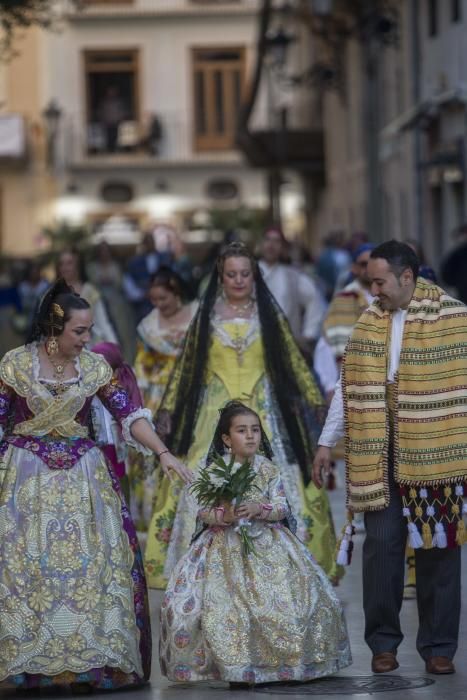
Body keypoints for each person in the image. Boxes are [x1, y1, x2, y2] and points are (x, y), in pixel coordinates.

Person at [0, 280, 192, 692]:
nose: (87, 340)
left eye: (88, 331)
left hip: (83, 478)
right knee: (26, 568)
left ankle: (91, 660)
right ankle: (28, 661)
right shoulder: (15, 365)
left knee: (93, 571)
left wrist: (162, 452)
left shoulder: (93, 368)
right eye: (79, 332)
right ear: (55, 327)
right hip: (25, 480)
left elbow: (128, 413)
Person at [313, 240, 467, 676]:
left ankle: (439, 646)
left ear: (406, 277)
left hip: (438, 448)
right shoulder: (367, 320)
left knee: (439, 545)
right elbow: (348, 387)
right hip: (377, 446)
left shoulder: (455, 317)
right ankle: (382, 643)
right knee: (381, 546)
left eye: (379, 281)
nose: (372, 288)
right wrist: (327, 442)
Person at [154, 242, 342, 590]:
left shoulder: (268, 315)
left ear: (254, 275)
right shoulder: (206, 316)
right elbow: (186, 367)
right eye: (232, 274)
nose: (239, 280)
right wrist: (167, 408)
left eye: (245, 273)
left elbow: (293, 361)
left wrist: (317, 400)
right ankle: (202, 559)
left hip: (264, 408)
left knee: (278, 471)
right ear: (220, 277)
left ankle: (284, 557)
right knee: (203, 472)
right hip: (215, 410)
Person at [160, 400, 351, 685]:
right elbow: (201, 510)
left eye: (255, 430)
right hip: (223, 549)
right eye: (241, 431)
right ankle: (236, 665)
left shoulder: (268, 469)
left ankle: (284, 662)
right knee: (226, 606)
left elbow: (283, 506)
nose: (250, 436)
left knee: (288, 599)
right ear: (226, 439)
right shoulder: (214, 471)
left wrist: (259, 509)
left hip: (269, 543)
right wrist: (223, 515)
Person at [128, 268, 197, 536]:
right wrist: (140, 395)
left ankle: (190, 512)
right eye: (154, 300)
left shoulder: (198, 315)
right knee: (152, 451)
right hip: (158, 393)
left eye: (163, 299)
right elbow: (142, 365)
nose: (158, 305)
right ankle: (156, 517)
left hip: (191, 389)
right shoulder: (148, 326)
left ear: (176, 292)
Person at [314, 243, 375, 401]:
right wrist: (329, 387)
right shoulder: (342, 300)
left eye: (373, 262)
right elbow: (326, 344)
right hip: (352, 387)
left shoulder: (392, 297)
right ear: (354, 268)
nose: (369, 268)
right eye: (363, 264)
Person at [258, 227, 326, 356]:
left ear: (283, 248)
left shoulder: (293, 276)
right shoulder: (247, 274)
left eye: (276, 241)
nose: (271, 245)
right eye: (267, 240)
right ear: (261, 244)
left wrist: (308, 334)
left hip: (287, 348)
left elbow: (314, 300)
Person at [91, 341, 143, 503]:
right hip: (98, 449)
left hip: (114, 449)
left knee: (117, 492)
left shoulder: (119, 392)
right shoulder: (87, 390)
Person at [57, 248, 118, 346]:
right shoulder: (52, 294)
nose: (64, 267)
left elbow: (103, 323)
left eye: (69, 263)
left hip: (90, 349)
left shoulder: (91, 292)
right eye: (61, 264)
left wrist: (114, 347)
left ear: (78, 265)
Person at [87, 241, 134, 360]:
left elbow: (120, 283)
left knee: (123, 332)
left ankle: (125, 360)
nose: (104, 253)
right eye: (101, 251)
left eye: (106, 250)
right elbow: (92, 284)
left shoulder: (116, 266)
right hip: (98, 302)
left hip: (117, 304)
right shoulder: (91, 267)